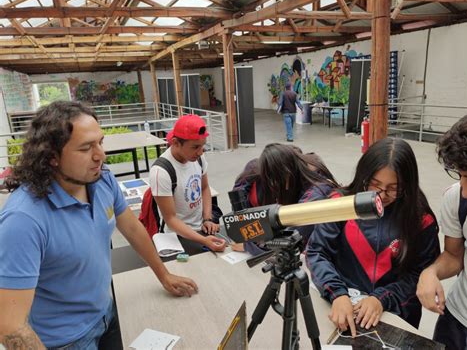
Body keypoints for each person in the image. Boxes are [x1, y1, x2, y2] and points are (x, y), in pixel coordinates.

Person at [0, 101, 198, 349]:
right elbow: (10, 326)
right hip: (67, 341)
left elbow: (133, 229)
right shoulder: (23, 220)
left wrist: (164, 275)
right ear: (51, 157)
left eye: (100, 143)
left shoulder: (101, 179)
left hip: (107, 314)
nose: (100, 155)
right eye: (85, 148)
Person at [306, 138, 440, 337]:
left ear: (408, 185)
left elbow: (419, 274)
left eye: (393, 188)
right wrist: (337, 293)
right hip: (341, 309)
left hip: (395, 313)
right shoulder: (341, 204)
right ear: (363, 175)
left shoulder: (421, 220)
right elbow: (317, 251)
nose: (382, 195)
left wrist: (381, 299)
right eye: (374, 184)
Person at [416, 111, 467, 349]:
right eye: (461, 175)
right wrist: (430, 273)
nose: (466, 189)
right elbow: (454, 255)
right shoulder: (456, 200)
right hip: (457, 321)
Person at [231, 143, 339, 254]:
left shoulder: (317, 192)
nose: (274, 186)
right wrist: (242, 222)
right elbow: (241, 187)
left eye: (274, 181)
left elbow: (288, 242)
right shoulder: (270, 165)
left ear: (286, 174)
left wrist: (247, 246)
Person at [150, 114, 226, 252]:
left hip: (201, 230)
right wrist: (203, 240)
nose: (200, 152)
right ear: (176, 142)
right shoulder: (161, 172)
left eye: (203, 146)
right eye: (195, 147)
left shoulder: (198, 158)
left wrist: (207, 219)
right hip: (175, 237)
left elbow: (204, 188)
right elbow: (171, 219)